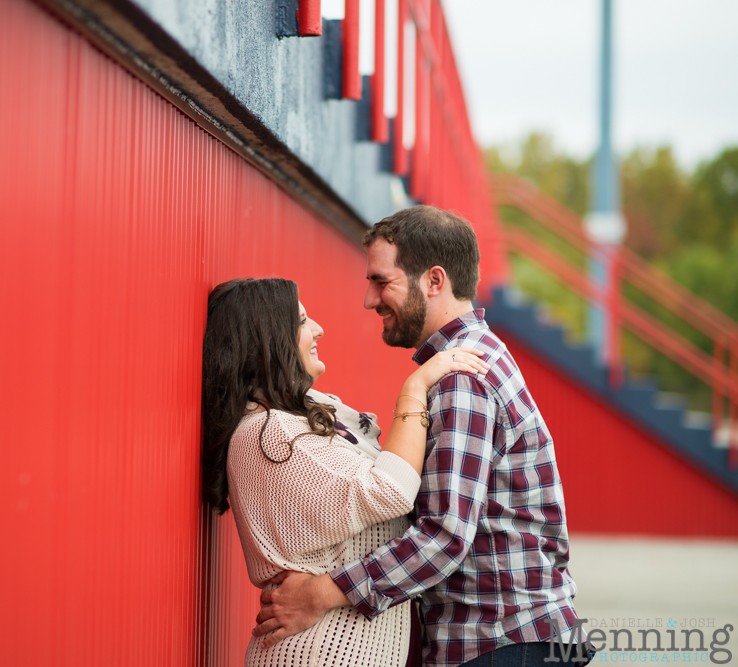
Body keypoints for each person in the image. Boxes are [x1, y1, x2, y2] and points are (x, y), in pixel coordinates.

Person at [252, 206, 589, 666]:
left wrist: (320, 593)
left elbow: (444, 536)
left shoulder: (460, 379)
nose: (369, 300)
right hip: (512, 639)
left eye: (381, 281)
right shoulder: (463, 361)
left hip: (502, 643)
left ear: (434, 281)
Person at [202, 277, 490, 666]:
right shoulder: (266, 433)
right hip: (317, 653)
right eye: (302, 321)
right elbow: (390, 489)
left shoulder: (303, 410)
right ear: (269, 339)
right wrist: (414, 389)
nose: (318, 328)